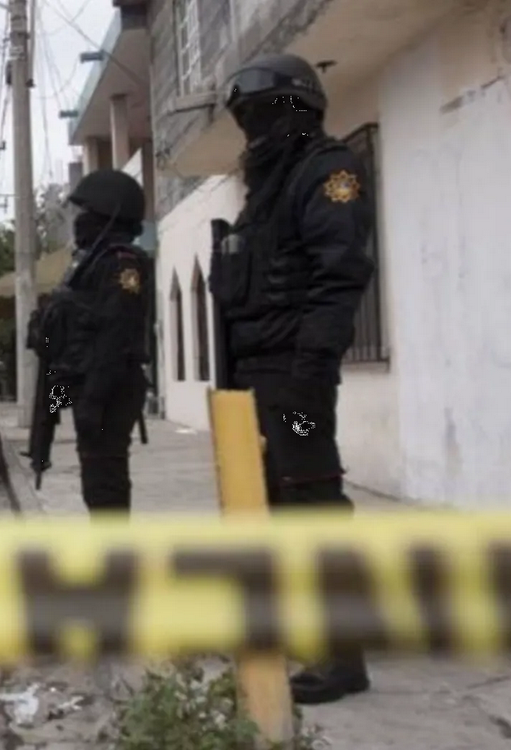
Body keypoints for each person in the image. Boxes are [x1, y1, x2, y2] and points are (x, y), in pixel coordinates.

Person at [215, 53, 377, 705]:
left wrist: (312, 373)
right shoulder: (266, 192)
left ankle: (346, 659)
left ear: (296, 111)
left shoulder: (328, 171)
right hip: (258, 377)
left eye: (262, 115)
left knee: (314, 503)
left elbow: (340, 278)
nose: (253, 130)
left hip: (297, 381)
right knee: (272, 508)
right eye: (245, 118)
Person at [37, 168, 150, 513]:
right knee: (94, 474)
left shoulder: (122, 263)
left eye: (87, 213)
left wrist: (96, 399)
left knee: (105, 479)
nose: (79, 221)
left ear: (108, 215)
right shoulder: (89, 263)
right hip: (86, 383)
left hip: (110, 388)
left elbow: (116, 336)